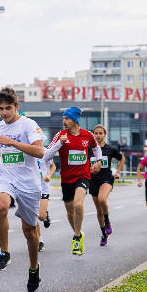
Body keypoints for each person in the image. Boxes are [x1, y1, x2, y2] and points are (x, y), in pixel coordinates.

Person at [0, 87, 45, 292]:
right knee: (1, 206)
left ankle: (33, 268)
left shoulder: (29, 125)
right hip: (6, 176)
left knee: (30, 232)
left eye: (8, 108)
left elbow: (39, 152)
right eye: (1, 109)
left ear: (17, 107)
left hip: (28, 182)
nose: (4, 113)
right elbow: (1, 148)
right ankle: (4, 253)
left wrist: (12, 141)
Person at [42, 107, 102, 256]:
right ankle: (78, 233)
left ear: (75, 120)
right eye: (63, 118)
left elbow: (96, 149)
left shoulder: (87, 135)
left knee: (77, 204)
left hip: (83, 175)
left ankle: (76, 238)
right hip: (66, 178)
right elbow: (46, 156)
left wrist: (98, 161)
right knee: (69, 210)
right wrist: (59, 145)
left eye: (67, 119)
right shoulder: (60, 135)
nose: (64, 122)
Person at [89, 124, 124, 247]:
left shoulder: (110, 149)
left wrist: (118, 172)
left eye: (100, 133)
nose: (98, 135)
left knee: (102, 198)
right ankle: (104, 234)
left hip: (106, 178)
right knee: (98, 210)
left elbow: (122, 158)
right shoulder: (89, 149)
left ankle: (107, 220)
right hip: (93, 180)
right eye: (96, 133)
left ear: (105, 135)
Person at [36, 159, 55, 251]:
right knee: (32, 216)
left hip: (43, 188)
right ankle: (40, 241)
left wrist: (49, 175)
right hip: (29, 187)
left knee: (41, 216)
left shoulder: (45, 152)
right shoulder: (25, 150)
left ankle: (45, 214)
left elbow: (53, 166)